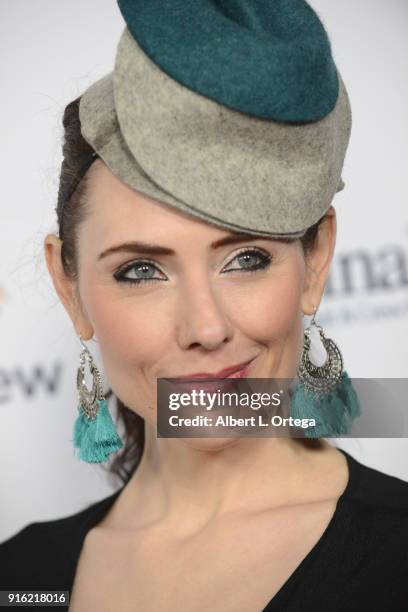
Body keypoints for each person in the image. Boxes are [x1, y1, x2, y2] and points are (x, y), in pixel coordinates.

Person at [1, 1, 408, 610]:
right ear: (70, 288)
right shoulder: (19, 577)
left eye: (245, 259)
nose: (206, 327)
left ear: (315, 259)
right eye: (141, 271)